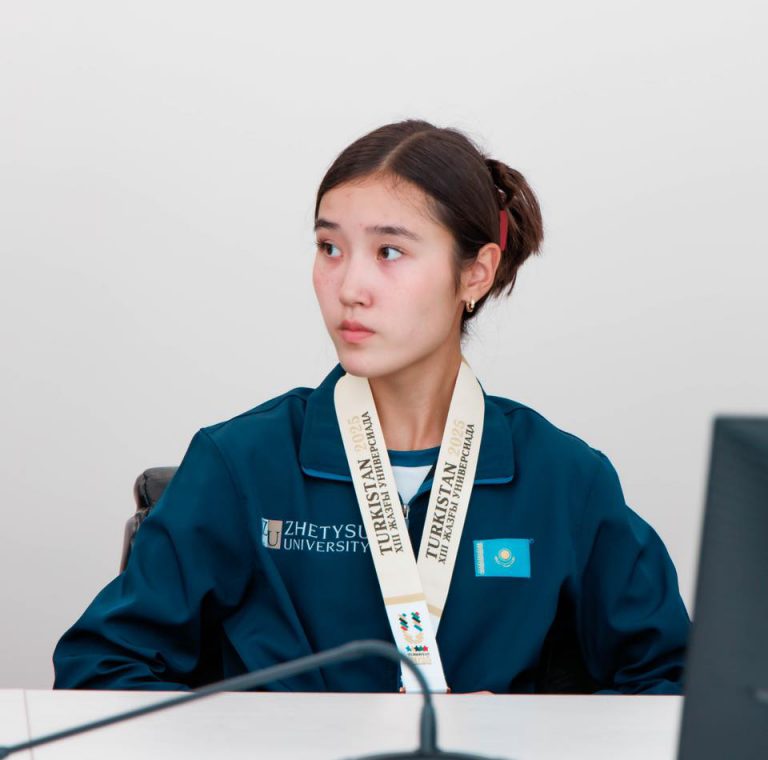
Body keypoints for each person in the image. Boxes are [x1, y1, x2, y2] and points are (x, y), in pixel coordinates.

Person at [53, 119, 690, 694]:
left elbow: (673, 684)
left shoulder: (565, 481)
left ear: (475, 273)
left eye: (389, 252)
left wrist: (524, 738)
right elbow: (100, 668)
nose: (349, 288)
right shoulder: (240, 465)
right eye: (330, 248)